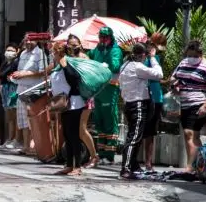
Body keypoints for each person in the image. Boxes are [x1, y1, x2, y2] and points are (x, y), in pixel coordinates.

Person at [170, 39, 206, 167]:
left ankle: (191, 166)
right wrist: (175, 85)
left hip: (198, 102)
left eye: (195, 56)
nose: (192, 58)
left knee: (190, 133)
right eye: (189, 55)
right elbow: (174, 77)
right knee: (191, 136)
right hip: (184, 104)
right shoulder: (183, 63)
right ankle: (198, 165)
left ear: (201, 54)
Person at [117, 42, 163, 179]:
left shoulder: (124, 65)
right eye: (145, 56)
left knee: (135, 136)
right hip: (137, 105)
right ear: (143, 55)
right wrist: (153, 58)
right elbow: (159, 74)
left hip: (129, 104)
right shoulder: (138, 67)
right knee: (134, 137)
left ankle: (133, 165)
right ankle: (125, 168)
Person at [50, 41, 88, 176]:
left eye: (53, 52)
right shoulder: (58, 65)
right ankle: (69, 165)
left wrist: (65, 66)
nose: (52, 55)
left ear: (59, 52)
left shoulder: (67, 63)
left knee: (73, 134)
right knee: (66, 134)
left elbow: (74, 79)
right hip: (64, 104)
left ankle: (77, 166)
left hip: (74, 102)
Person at [87, 26, 124, 163]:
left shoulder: (115, 50)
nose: (103, 39)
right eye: (101, 37)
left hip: (110, 88)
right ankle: (101, 153)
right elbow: (88, 57)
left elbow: (115, 66)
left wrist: (104, 63)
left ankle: (109, 155)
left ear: (111, 37)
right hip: (98, 89)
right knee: (99, 120)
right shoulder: (97, 49)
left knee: (109, 119)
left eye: (105, 37)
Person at [11, 34, 49, 155]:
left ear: (36, 41)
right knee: (23, 121)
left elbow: (43, 72)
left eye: (30, 40)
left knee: (32, 120)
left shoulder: (40, 53)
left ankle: (34, 147)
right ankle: (26, 146)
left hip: (33, 91)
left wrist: (25, 74)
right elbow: (21, 70)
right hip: (21, 89)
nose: (27, 42)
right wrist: (16, 75)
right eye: (26, 40)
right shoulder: (22, 53)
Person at [67, 35, 99, 166]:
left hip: (85, 96)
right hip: (73, 96)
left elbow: (89, 77)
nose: (73, 47)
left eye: (75, 45)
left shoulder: (84, 58)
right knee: (73, 128)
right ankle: (77, 158)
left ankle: (94, 156)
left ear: (80, 45)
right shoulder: (68, 58)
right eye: (70, 44)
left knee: (81, 128)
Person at [142, 32, 167, 171]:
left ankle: (148, 162)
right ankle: (137, 161)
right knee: (141, 129)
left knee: (151, 130)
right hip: (144, 95)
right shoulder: (143, 56)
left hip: (156, 96)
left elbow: (157, 75)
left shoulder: (157, 57)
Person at [0, 44, 20, 149]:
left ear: (17, 51)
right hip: (5, 88)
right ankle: (9, 138)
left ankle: (16, 139)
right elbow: (0, 78)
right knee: (9, 116)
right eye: (7, 50)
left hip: (13, 88)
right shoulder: (5, 63)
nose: (9, 52)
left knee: (15, 114)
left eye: (11, 50)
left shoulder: (17, 62)